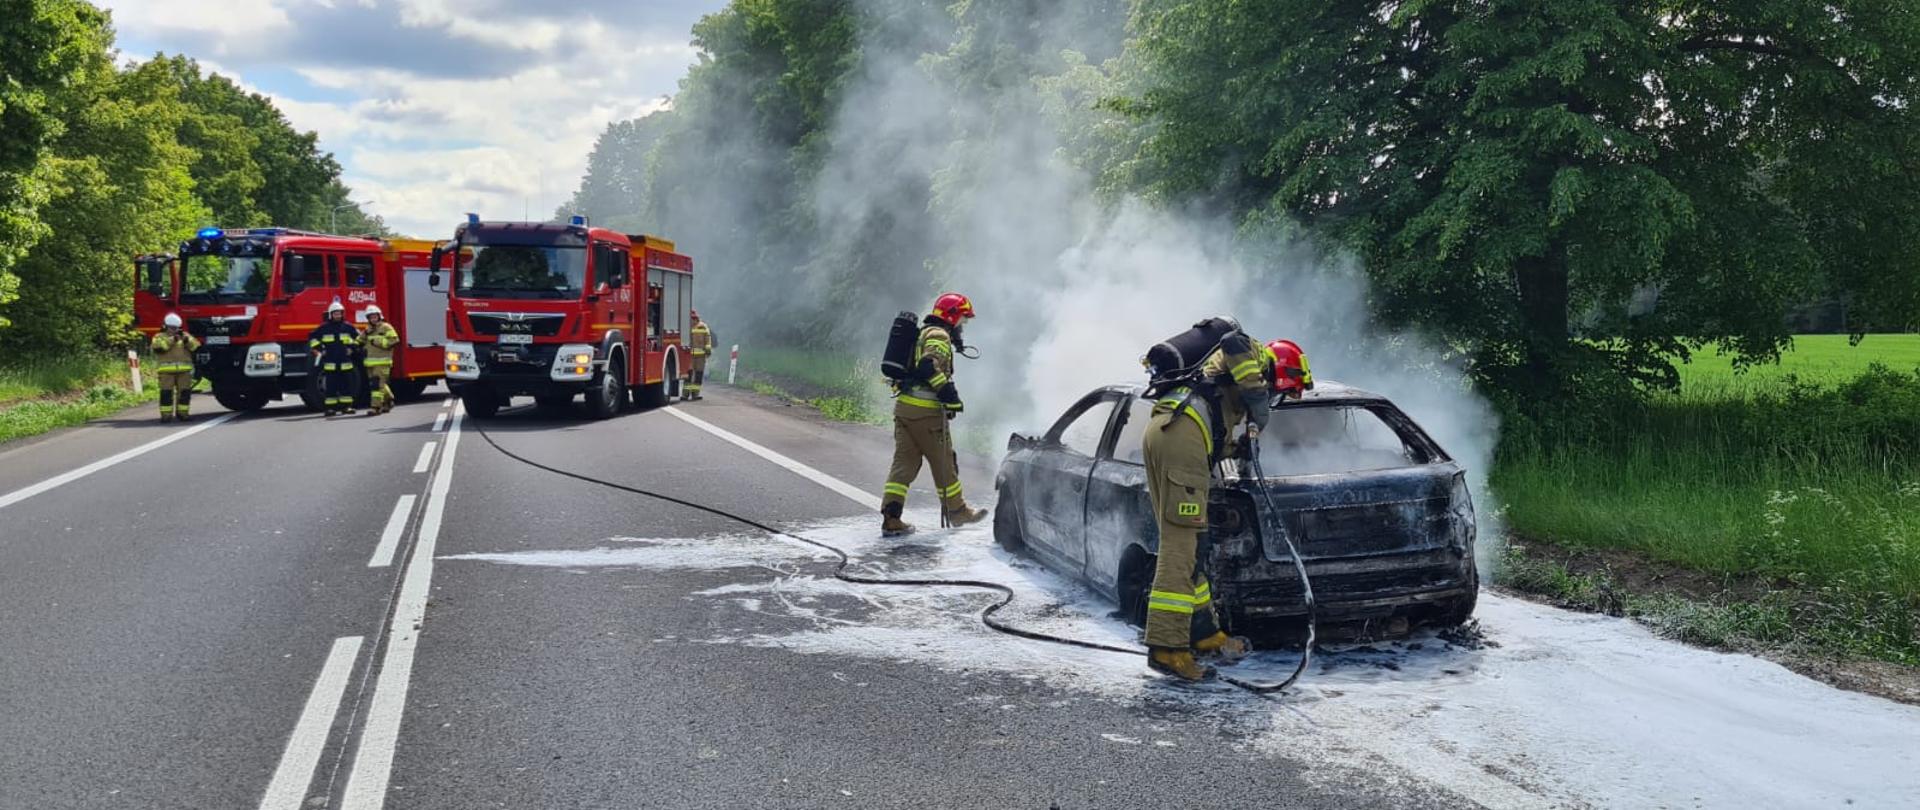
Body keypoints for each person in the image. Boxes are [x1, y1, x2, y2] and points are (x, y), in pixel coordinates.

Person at [1139, 328, 1310, 681]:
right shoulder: (1250, 352)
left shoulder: (1226, 386)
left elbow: (1215, 431)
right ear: (1283, 370)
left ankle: (1202, 634)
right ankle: (1167, 649)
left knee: (1194, 547)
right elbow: (1232, 344)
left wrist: (1239, 448)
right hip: (1179, 438)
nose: (1275, 397)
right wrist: (1259, 406)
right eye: (1282, 390)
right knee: (1180, 549)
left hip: (1175, 435)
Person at [881, 293, 988, 536]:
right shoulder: (939, 335)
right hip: (926, 414)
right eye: (962, 318)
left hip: (905, 411)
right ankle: (958, 511)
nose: (963, 324)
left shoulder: (923, 333)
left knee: (903, 465)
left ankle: (891, 517)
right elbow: (928, 366)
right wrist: (950, 396)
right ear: (952, 316)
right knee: (944, 463)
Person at [308, 300, 361, 416]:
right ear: (331, 314)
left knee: (346, 385)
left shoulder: (348, 327)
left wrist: (352, 348)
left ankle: (346, 407)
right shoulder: (324, 328)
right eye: (335, 313)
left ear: (342, 314)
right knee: (331, 386)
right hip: (330, 363)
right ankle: (330, 409)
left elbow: (360, 339)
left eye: (339, 313)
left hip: (345, 363)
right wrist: (320, 349)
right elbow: (312, 338)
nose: (337, 315)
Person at [150, 313, 200, 423]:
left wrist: (187, 340)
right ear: (166, 326)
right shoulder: (159, 336)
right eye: (172, 328)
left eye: (176, 328)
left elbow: (196, 346)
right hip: (166, 371)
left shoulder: (184, 335)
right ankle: (166, 416)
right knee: (166, 394)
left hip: (184, 371)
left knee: (184, 393)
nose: (174, 330)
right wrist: (173, 339)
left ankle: (183, 414)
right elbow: (160, 348)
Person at [359, 304, 401, 415]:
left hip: (383, 362)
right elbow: (359, 340)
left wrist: (378, 342)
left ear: (379, 316)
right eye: (371, 317)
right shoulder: (368, 330)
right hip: (370, 363)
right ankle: (389, 400)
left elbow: (394, 340)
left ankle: (376, 407)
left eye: (375, 316)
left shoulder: (386, 327)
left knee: (376, 385)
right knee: (379, 384)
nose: (373, 319)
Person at [685, 310, 713, 401]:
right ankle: (685, 394)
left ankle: (695, 394)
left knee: (698, 375)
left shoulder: (703, 327)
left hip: (700, 356)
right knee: (688, 375)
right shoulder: (687, 327)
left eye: (693, 318)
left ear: (696, 318)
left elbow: (708, 340)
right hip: (690, 356)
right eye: (691, 318)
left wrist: (708, 351)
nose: (691, 320)